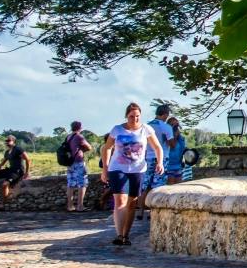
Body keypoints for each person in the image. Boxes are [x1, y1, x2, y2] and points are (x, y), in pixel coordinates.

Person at [104, 102, 163, 247]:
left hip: (137, 169)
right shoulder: (117, 130)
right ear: (126, 116)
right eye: (131, 116)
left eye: (137, 116)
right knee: (120, 201)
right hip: (118, 168)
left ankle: (126, 235)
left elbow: (157, 147)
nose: (134, 119)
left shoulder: (146, 129)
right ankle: (119, 235)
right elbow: (106, 148)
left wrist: (159, 162)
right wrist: (105, 168)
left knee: (132, 204)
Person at [149, 104, 188, 194]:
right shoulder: (166, 130)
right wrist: (173, 135)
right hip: (167, 163)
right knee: (165, 186)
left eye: (176, 125)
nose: (175, 127)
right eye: (173, 125)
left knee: (179, 187)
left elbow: (183, 150)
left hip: (177, 165)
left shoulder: (181, 139)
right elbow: (171, 145)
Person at [56, 122, 91, 212]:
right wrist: (82, 149)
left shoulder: (68, 137)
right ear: (80, 128)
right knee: (82, 183)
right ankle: (80, 206)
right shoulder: (79, 137)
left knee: (70, 184)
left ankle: (70, 206)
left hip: (70, 162)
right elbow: (89, 147)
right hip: (78, 162)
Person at [0, 135, 30, 201]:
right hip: (10, 170)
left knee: (4, 185)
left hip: (17, 172)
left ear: (13, 141)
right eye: (6, 141)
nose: (7, 142)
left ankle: (5, 201)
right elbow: (2, 163)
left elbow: (28, 160)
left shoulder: (18, 149)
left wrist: (27, 172)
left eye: (8, 141)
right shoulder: (7, 152)